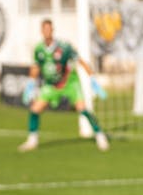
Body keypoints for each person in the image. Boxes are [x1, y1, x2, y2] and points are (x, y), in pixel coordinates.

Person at [18, 19, 109, 152]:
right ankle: (32, 140)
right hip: (51, 85)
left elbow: (80, 61)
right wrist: (31, 83)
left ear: (52, 30)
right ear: (41, 31)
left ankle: (99, 135)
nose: (47, 32)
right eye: (45, 29)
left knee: (82, 109)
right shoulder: (38, 49)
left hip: (70, 83)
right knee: (35, 109)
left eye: (49, 29)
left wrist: (92, 78)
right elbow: (36, 67)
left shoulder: (64, 47)